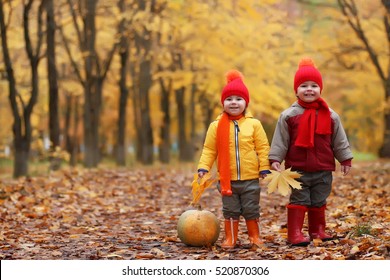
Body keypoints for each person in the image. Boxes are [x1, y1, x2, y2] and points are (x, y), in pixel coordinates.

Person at [269, 58, 353, 246]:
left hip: (323, 169)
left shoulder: (330, 115)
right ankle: (295, 233)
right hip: (297, 169)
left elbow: (339, 140)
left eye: (314, 85)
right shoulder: (289, 115)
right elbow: (281, 140)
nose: (309, 89)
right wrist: (275, 158)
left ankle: (317, 230)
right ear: (296, 90)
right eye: (303, 86)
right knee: (300, 199)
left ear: (320, 89)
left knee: (319, 199)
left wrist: (345, 159)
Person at [197, 70, 271, 249]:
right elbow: (209, 149)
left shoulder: (254, 124)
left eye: (238, 99)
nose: (234, 102)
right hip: (227, 180)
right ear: (223, 103)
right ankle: (231, 238)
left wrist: (264, 166)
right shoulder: (216, 126)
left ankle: (255, 236)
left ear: (246, 102)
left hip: (250, 178)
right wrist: (203, 167)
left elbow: (262, 147)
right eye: (229, 99)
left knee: (251, 208)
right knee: (230, 210)